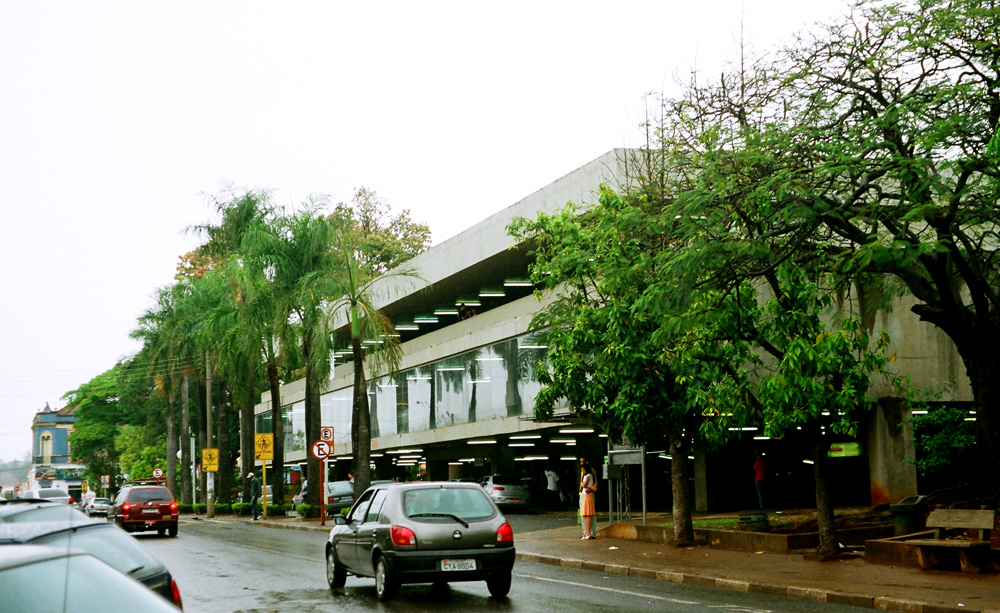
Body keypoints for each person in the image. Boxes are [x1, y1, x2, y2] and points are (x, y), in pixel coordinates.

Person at [579, 461, 596, 539]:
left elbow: (583, 485)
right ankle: (586, 532)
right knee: (585, 515)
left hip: (587, 496)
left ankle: (588, 532)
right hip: (585, 495)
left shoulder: (589, 476)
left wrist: (583, 484)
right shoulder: (587, 476)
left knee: (587, 514)